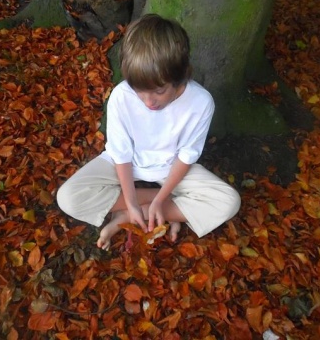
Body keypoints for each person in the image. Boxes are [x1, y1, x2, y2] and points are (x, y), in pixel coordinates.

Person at [57, 14, 241, 250]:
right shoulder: (122, 96)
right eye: (140, 92)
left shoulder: (201, 102)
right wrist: (131, 201)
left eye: (158, 91)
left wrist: (160, 197)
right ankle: (166, 211)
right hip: (125, 166)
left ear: (180, 74)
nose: (148, 101)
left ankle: (134, 214)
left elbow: (186, 156)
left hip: (171, 169)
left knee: (228, 202)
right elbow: (120, 153)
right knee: (68, 197)